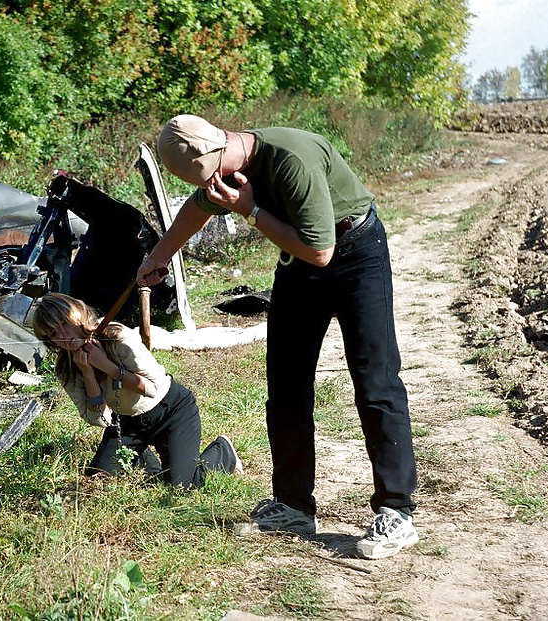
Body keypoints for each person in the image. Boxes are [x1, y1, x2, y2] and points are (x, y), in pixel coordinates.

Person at [136, 114, 418, 560]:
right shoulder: (228, 166)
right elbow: (196, 209)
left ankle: (396, 511)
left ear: (220, 149)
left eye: (211, 178)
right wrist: (158, 256)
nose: (213, 187)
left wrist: (249, 210)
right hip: (299, 261)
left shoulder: (290, 160)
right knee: (285, 386)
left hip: (354, 252)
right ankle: (292, 505)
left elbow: (321, 251)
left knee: (375, 381)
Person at [31, 292, 242, 488]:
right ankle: (146, 460)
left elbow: (152, 388)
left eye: (62, 324)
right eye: (52, 334)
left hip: (170, 411)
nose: (62, 336)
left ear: (76, 316)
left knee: (183, 485)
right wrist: (87, 372)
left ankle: (222, 452)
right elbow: (97, 419)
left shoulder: (115, 336)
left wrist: (107, 366)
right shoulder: (66, 368)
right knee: (98, 482)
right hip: (127, 423)